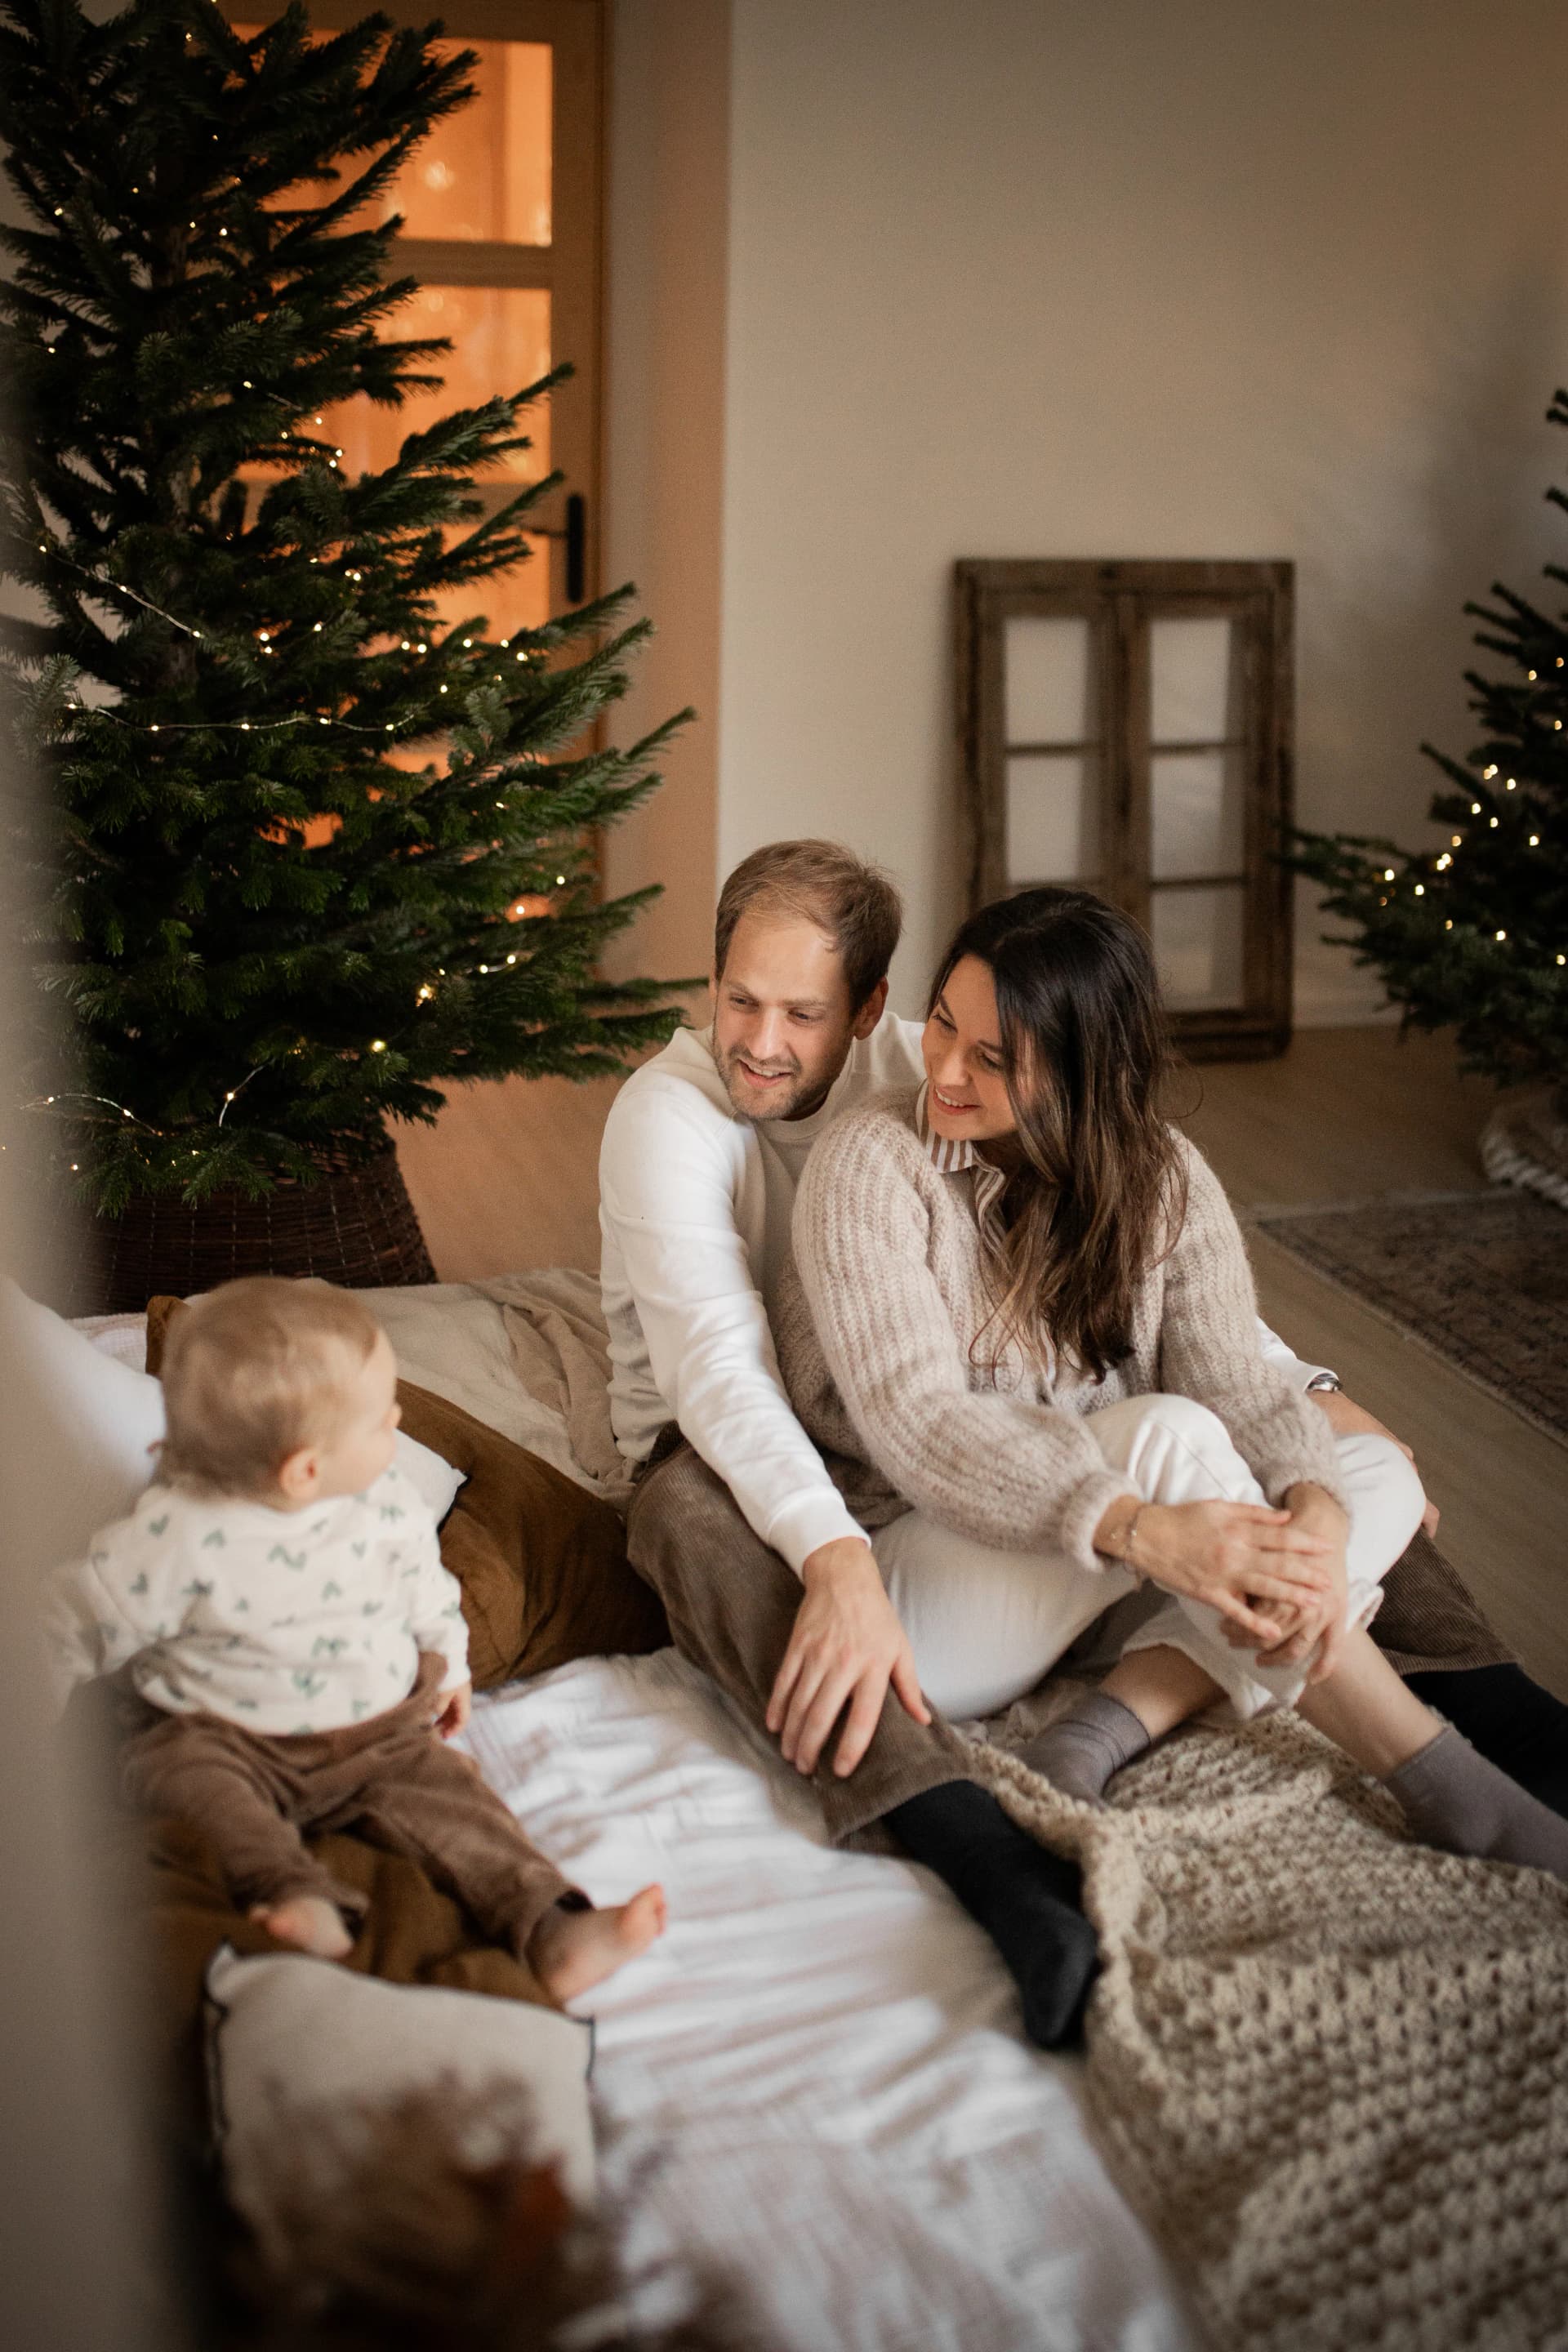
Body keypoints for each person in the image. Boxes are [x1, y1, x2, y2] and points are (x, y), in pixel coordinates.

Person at [600, 842, 1463, 2047]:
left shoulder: (967, 1072)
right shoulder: (721, 1124)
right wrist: (837, 1561)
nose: (762, 1040)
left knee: (1364, 1476)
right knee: (1161, 1448)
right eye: (739, 1000)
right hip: (787, 1465)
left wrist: (1316, 1426)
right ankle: (1417, 1776)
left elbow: (1220, 1345)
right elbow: (740, 1380)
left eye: (803, 1012)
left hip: (1037, 1506)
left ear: (869, 1011)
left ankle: (1128, 1716)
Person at [777, 886, 1568, 1880]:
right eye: (942, 1023)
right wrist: (1144, 1529)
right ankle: (1443, 1780)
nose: (943, 1069)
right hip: (922, 1594)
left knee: (1376, 1476)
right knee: (1168, 1434)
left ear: (1084, 1068)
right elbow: (920, 1422)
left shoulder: (1168, 1179)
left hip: (1116, 1585)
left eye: (992, 1057)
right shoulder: (872, 1162)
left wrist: (1314, 1510)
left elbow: (1237, 1380)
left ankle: (1103, 1728)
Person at [42, 1277, 665, 2002]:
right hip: (220, 1736)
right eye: (378, 1420)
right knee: (178, 1781)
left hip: (377, 1733)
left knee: (461, 1811)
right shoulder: (176, 1538)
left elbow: (426, 1587)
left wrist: (450, 1664)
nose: (398, 1420)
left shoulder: (385, 1504)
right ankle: (293, 1893)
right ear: (304, 1470)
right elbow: (72, 1618)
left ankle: (552, 1924)